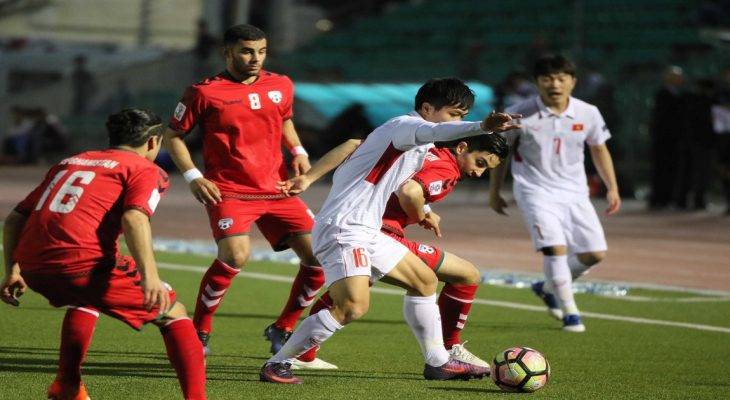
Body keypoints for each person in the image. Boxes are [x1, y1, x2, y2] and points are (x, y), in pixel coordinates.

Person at [259, 77, 521, 384]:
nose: (457, 121)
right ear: (426, 108)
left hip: (366, 229)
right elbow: (436, 132)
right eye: (454, 114)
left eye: (463, 116)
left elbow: (366, 156)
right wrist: (482, 126)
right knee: (353, 306)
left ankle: (438, 363)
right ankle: (278, 363)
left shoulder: (416, 146)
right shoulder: (406, 126)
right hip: (345, 226)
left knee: (424, 280)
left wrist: (422, 211)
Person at [1, 109, 206, 400]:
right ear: (152, 143)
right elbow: (135, 218)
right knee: (173, 312)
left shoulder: (72, 161)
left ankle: (68, 386)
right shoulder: (145, 169)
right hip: (81, 265)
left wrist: (12, 269)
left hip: (34, 267)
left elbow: (14, 219)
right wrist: (151, 278)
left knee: (86, 299)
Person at [163, 24, 323, 355]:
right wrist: (194, 176)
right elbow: (173, 136)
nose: (255, 58)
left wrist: (299, 153)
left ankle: (284, 328)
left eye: (261, 51)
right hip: (230, 190)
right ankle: (200, 330)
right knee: (236, 255)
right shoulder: (204, 92)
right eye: (247, 51)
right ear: (228, 52)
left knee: (319, 258)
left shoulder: (281, 84)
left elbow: (285, 120)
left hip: (277, 188)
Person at [488, 55, 621, 333]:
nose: (555, 84)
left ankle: (548, 287)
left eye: (561, 78)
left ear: (572, 82)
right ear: (537, 82)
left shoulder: (588, 113)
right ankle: (570, 313)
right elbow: (501, 154)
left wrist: (612, 187)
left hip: (575, 191)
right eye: (547, 78)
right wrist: (495, 191)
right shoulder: (518, 114)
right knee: (555, 248)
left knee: (595, 254)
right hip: (534, 190)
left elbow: (599, 149)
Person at [648, 66, 685, 210]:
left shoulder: (681, 95)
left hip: (676, 140)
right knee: (660, 169)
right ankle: (658, 199)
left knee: (673, 169)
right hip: (663, 140)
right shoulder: (662, 94)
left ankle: (669, 198)